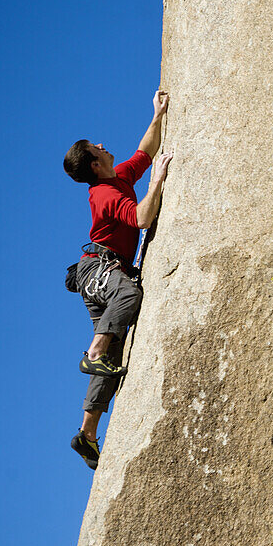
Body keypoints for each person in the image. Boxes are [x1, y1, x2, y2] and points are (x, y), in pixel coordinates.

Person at [62, 90, 173, 469]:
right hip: (100, 271)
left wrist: (157, 116)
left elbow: (144, 153)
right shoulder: (105, 194)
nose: (104, 145)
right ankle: (93, 352)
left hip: (102, 275)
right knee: (129, 294)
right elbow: (141, 218)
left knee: (115, 355)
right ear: (94, 163)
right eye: (97, 147)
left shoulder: (119, 177)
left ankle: (88, 434)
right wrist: (157, 181)